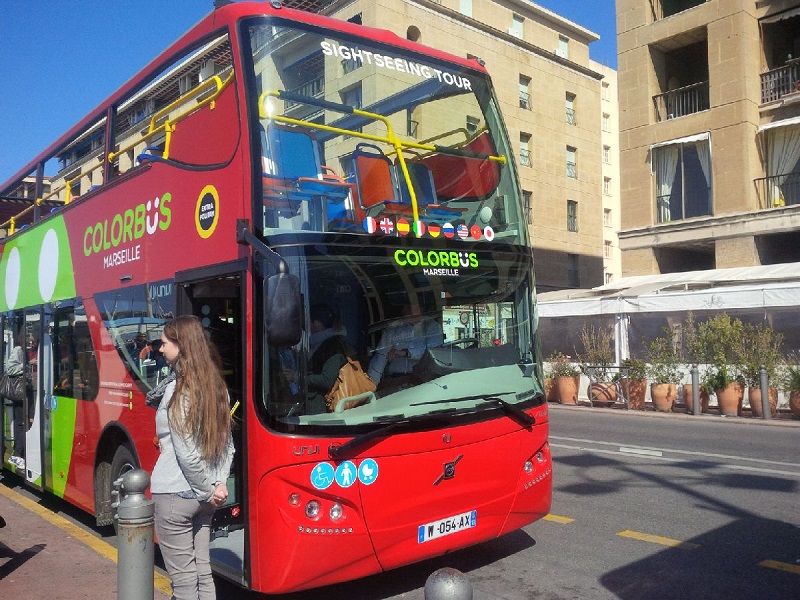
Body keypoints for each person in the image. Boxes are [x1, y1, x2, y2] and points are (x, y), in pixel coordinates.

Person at [149, 315, 234, 600]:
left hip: (176, 495)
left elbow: (185, 451)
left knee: (184, 584)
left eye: (164, 343)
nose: (160, 349)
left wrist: (206, 489)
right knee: (202, 573)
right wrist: (218, 485)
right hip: (204, 498)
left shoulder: (177, 389)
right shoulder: (217, 386)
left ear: (181, 345)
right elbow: (227, 444)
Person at [367, 304, 443, 386]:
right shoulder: (394, 328)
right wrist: (371, 384)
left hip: (423, 380)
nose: (411, 312)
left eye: (415, 308)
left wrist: (405, 352)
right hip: (395, 379)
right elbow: (380, 356)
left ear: (421, 309)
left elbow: (433, 352)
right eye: (408, 308)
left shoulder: (432, 326)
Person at [304, 303, 348, 414]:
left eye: (309, 321)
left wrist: (301, 379)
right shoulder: (318, 343)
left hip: (325, 405)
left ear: (316, 323)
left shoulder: (333, 345)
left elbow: (327, 380)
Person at [4, 328, 25, 470]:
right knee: (21, 424)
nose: (31, 338)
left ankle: (19, 454)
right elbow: (10, 369)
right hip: (18, 393)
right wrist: (27, 365)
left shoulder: (25, 349)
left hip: (23, 393)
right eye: (28, 335)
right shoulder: (18, 349)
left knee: (22, 424)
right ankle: (17, 454)